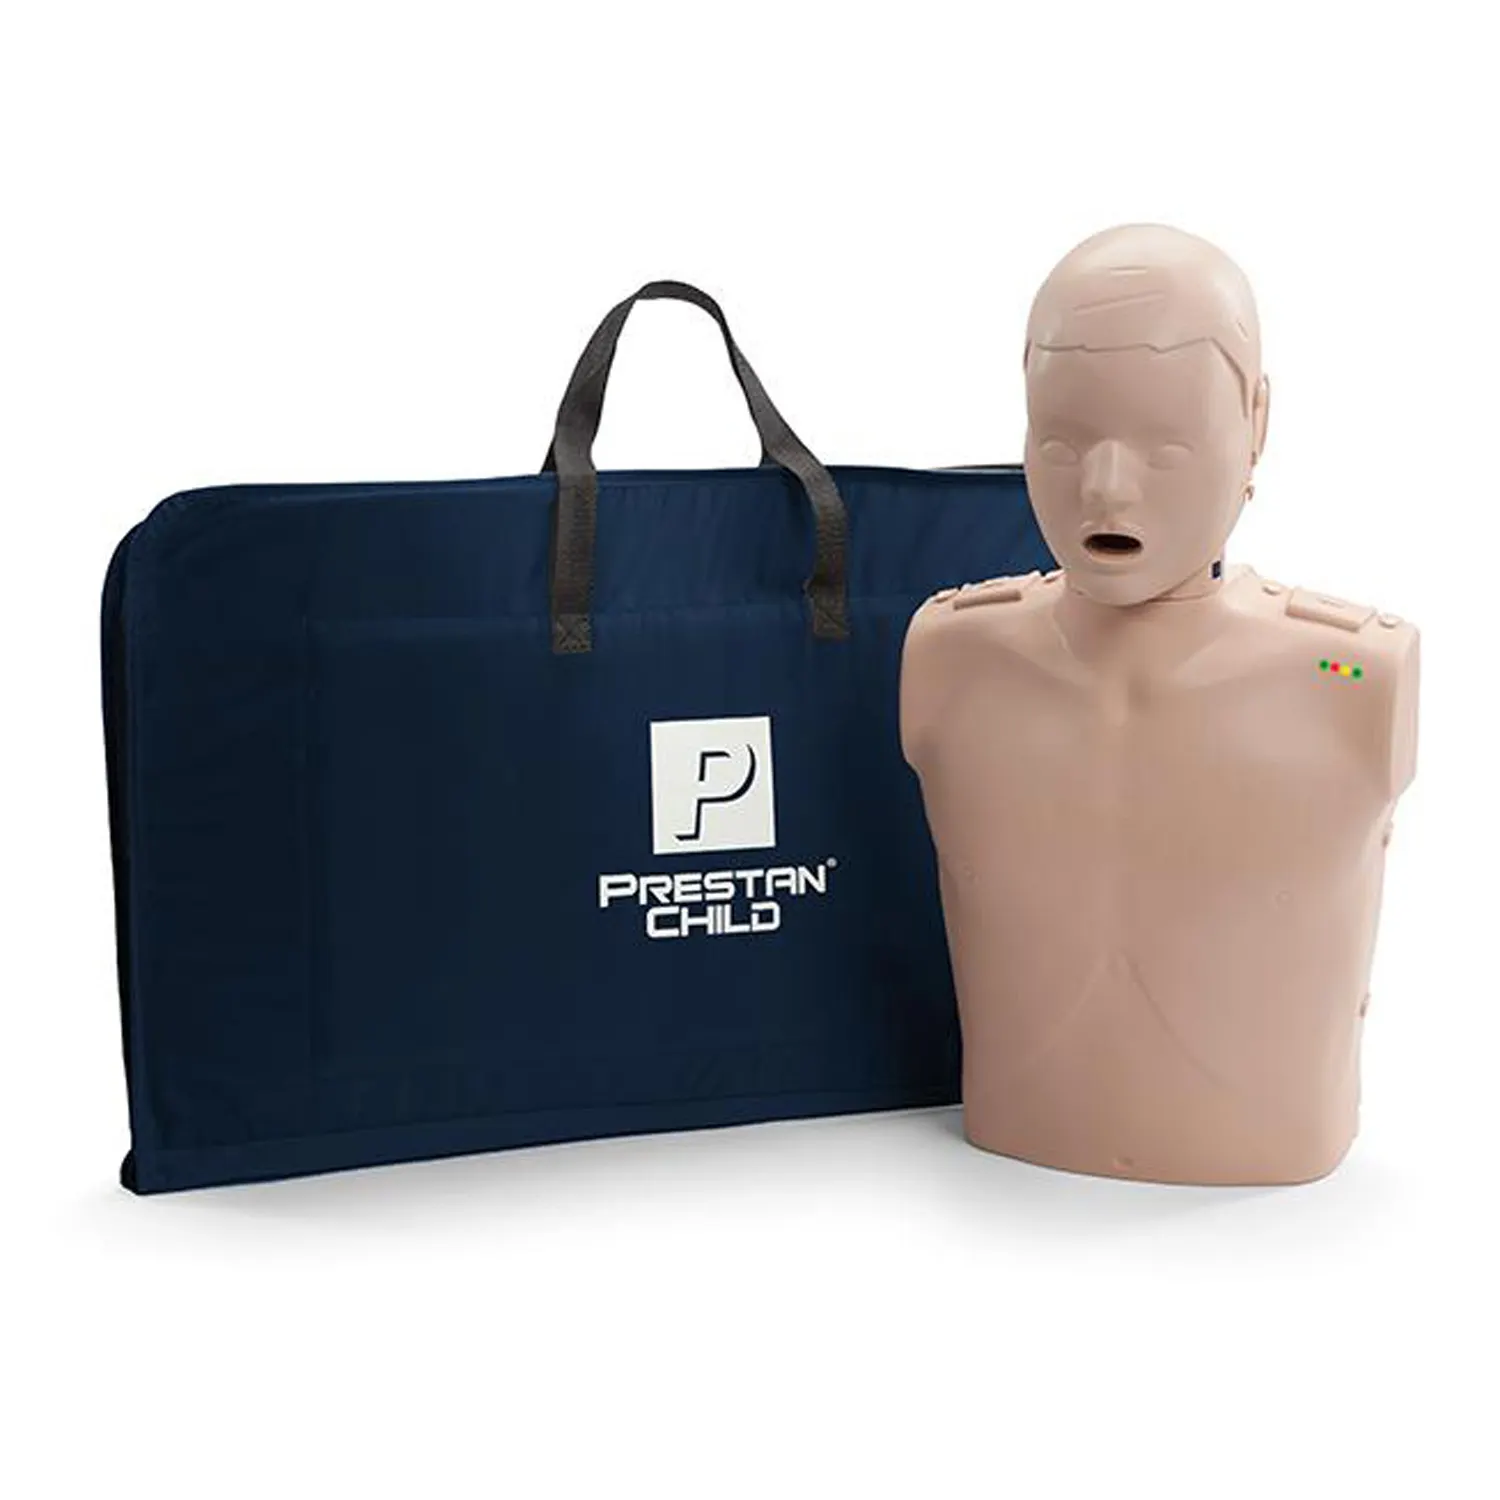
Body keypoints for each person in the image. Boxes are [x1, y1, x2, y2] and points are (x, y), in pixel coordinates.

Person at [900, 224, 1419, 1185]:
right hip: (1011, 1156)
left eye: (1167, 446)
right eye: (1063, 441)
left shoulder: (1353, 678)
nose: (1105, 488)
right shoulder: (950, 657)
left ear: (1257, 425)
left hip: (1267, 1185)